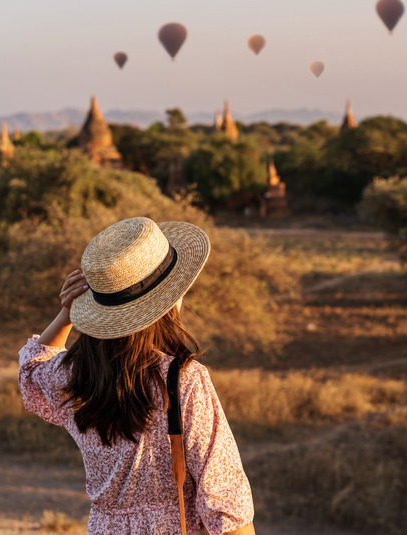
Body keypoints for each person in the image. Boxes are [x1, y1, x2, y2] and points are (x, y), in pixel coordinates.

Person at [18, 217, 256, 535]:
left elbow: (32, 370)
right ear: (170, 301)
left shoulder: (74, 379)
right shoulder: (184, 380)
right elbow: (226, 505)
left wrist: (67, 314)